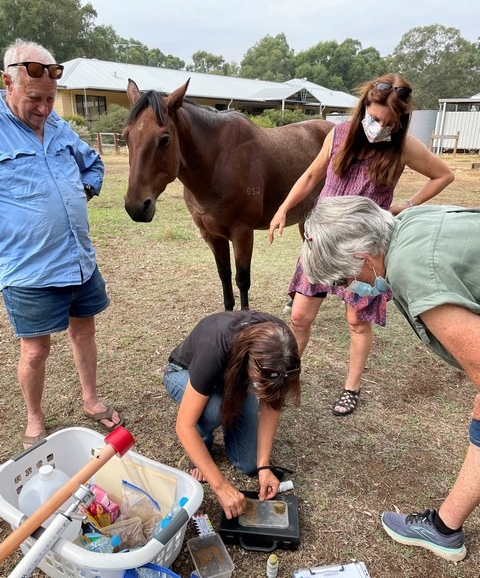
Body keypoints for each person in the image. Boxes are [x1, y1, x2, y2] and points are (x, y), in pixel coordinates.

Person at [300, 194, 480, 562]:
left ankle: (444, 530)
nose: (349, 289)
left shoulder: (411, 270)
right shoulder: (410, 223)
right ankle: (445, 528)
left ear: (363, 259)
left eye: (344, 278)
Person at [269, 74, 454, 416]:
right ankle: (286, 376)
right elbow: (311, 176)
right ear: (364, 107)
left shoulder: (403, 147)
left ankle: (351, 387)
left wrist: (406, 205)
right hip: (324, 241)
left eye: (389, 122)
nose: (379, 126)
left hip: (365, 250)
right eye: (375, 116)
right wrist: (283, 208)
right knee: (299, 315)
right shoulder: (338, 135)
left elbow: (444, 175)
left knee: (357, 321)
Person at [0, 39, 124, 447]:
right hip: (28, 268)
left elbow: (93, 162)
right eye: (35, 98)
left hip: (78, 260)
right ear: (7, 83)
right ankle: (35, 419)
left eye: (51, 99)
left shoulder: (57, 125)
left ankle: (91, 400)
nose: (44, 109)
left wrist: (82, 190)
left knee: (84, 330)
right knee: (35, 351)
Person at [163, 310, 301, 519]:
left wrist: (263, 466)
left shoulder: (283, 348)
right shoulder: (216, 345)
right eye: (258, 384)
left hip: (233, 383)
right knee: (215, 408)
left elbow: (272, 405)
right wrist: (221, 486)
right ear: (251, 361)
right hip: (183, 373)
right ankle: (202, 445)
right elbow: (184, 425)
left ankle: (229, 410)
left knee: (249, 464)